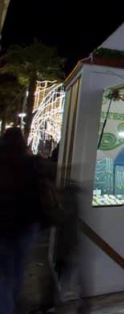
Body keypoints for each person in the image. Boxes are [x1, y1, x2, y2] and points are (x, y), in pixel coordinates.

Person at [0, 128, 50, 314]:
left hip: (4, 226)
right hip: (27, 224)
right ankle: (10, 302)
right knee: (18, 268)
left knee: (6, 271)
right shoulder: (31, 164)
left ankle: (6, 305)